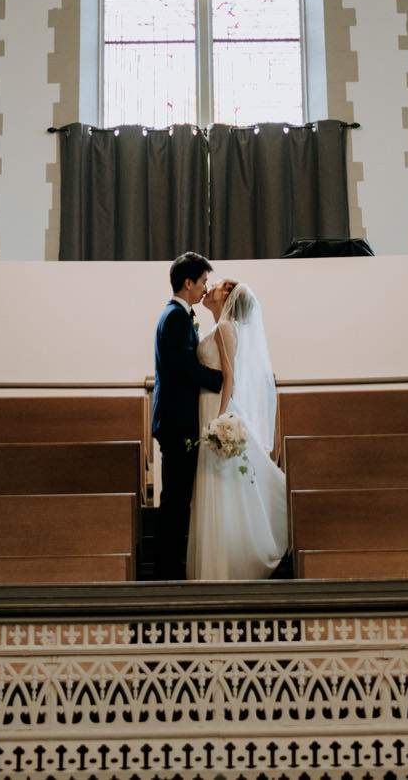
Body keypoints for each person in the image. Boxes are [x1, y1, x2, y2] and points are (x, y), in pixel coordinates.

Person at [186, 277, 290, 580]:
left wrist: (219, 420)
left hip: (215, 408)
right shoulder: (219, 328)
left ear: (226, 296)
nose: (208, 289)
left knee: (221, 485)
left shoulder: (225, 328)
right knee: (217, 486)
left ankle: (225, 566)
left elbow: (229, 378)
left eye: (214, 286)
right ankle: (216, 563)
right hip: (209, 406)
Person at [151, 249, 223, 579]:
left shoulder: (181, 315)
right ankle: (166, 571)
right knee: (175, 500)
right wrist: (221, 379)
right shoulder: (175, 318)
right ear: (188, 282)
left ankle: (171, 565)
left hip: (180, 421)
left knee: (179, 499)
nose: (205, 288)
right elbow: (184, 369)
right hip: (177, 422)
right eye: (203, 281)